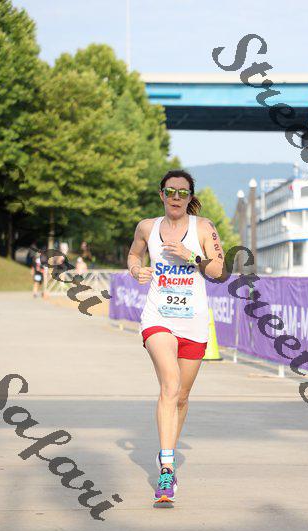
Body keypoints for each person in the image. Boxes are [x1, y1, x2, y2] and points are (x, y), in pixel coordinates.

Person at [127, 169, 225, 505]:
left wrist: (191, 257)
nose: (176, 197)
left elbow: (219, 272)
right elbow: (134, 254)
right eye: (170, 191)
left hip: (193, 323)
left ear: (189, 197)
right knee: (169, 385)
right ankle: (167, 469)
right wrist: (136, 270)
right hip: (158, 318)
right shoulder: (146, 227)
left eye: (183, 193)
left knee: (181, 397)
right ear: (162, 194)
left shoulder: (204, 228)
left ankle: (165, 451)